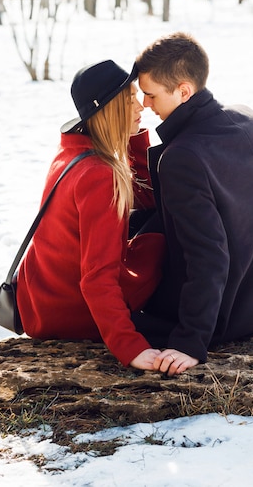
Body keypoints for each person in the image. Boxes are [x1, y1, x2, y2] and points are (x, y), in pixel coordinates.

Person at [132, 32, 253, 376]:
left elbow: (207, 254)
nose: (145, 104)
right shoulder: (249, 120)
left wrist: (190, 340)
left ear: (184, 91)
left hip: (222, 318)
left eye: (151, 95)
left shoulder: (182, 157)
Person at [16, 60, 166, 371]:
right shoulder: (99, 176)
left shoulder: (71, 153)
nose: (142, 106)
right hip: (73, 311)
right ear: (108, 108)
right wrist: (130, 346)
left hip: (42, 300)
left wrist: (134, 137)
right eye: (129, 99)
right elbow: (97, 279)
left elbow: (146, 197)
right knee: (168, 228)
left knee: (150, 216)